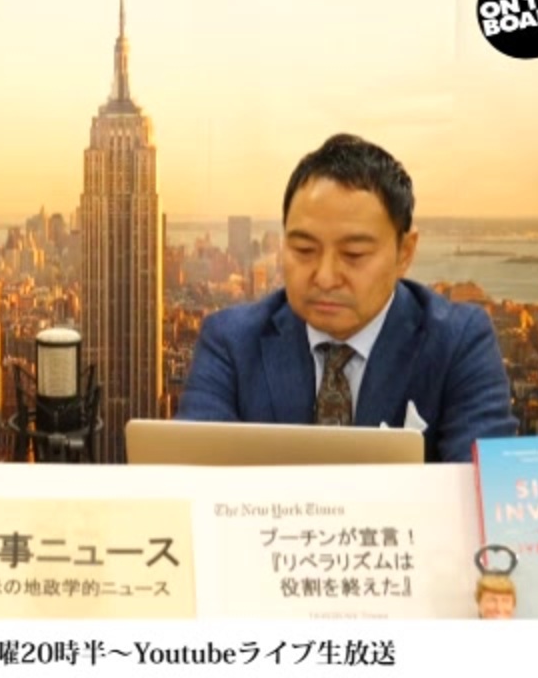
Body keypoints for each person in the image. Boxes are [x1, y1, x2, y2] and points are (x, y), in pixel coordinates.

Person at [175, 133, 517, 462]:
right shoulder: (230, 341)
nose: (325, 277)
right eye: (304, 249)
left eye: (354, 255)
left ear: (404, 253)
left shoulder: (458, 341)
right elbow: (191, 477)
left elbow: (486, 486)